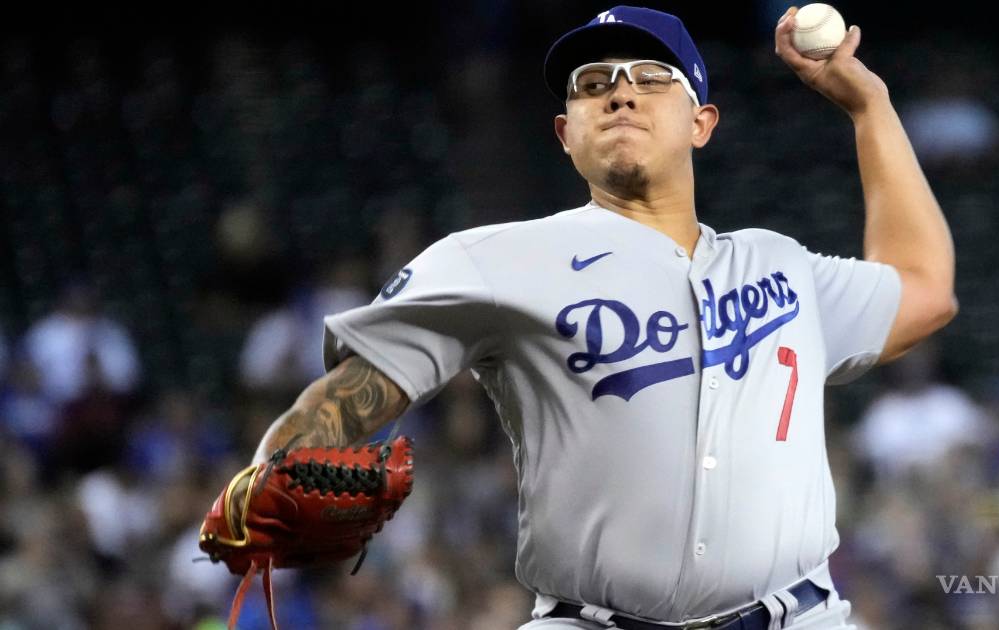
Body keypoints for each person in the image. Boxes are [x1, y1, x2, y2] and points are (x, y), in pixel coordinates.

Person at [228, 6, 957, 629]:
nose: (620, 93)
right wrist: (269, 475)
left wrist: (870, 107)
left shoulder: (780, 264)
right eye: (593, 84)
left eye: (651, 78)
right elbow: (347, 397)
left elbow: (925, 290)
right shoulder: (496, 260)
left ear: (701, 123)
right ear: (564, 133)